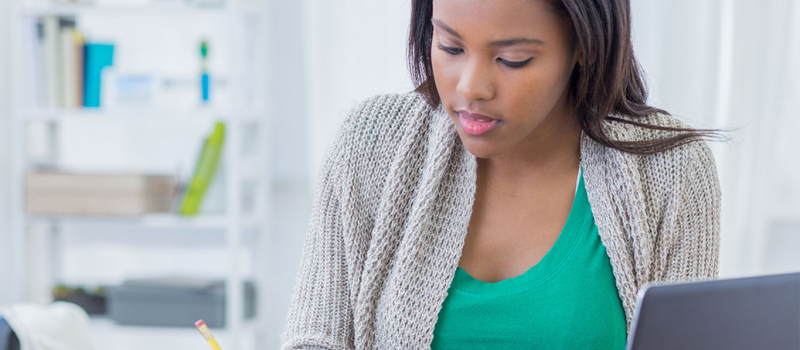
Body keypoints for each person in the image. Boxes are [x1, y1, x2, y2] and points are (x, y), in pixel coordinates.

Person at [280, 0, 723, 349]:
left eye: (512, 59)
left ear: (585, 46)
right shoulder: (372, 144)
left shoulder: (672, 170)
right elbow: (316, 337)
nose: (471, 86)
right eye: (450, 47)